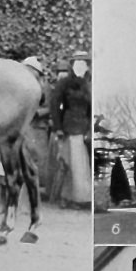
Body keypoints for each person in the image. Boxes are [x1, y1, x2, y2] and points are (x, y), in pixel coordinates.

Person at [50, 49, 92, 207]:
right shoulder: (64, 84)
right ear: (72, 65)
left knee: (82, 164)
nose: (81, 66)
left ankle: (80, 197)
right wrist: (58, 127)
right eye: (78, 63)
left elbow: (91, 108)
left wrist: (90, 128)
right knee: (72, 163)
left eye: (84, 63)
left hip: (85, 127)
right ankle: (69, 198)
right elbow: (55, 105)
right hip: (70, 126)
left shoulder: (88, 84)